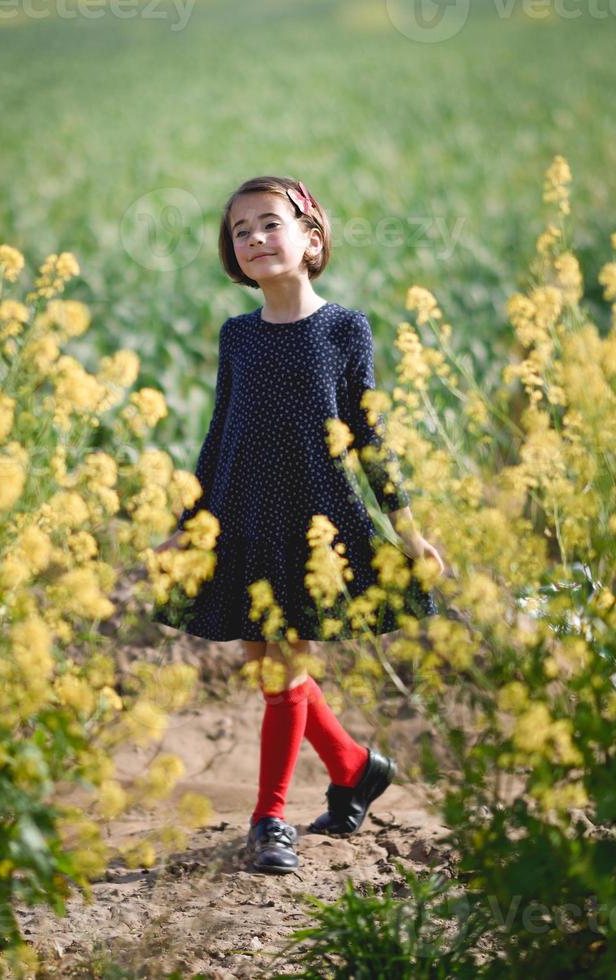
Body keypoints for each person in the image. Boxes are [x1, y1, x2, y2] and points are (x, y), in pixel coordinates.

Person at [148, 176, 449, 874]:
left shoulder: (343, 328)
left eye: (268, 224)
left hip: (315, 523)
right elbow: (219, 433)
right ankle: (354, 767)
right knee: (267, 668)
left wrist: (405, 528)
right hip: (242, 517)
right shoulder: (237, 336)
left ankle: (269, 820)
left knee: (285, 669)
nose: (253, 238)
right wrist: (187, 523)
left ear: (311, 237)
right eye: (239, 231)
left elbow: (368, 434)